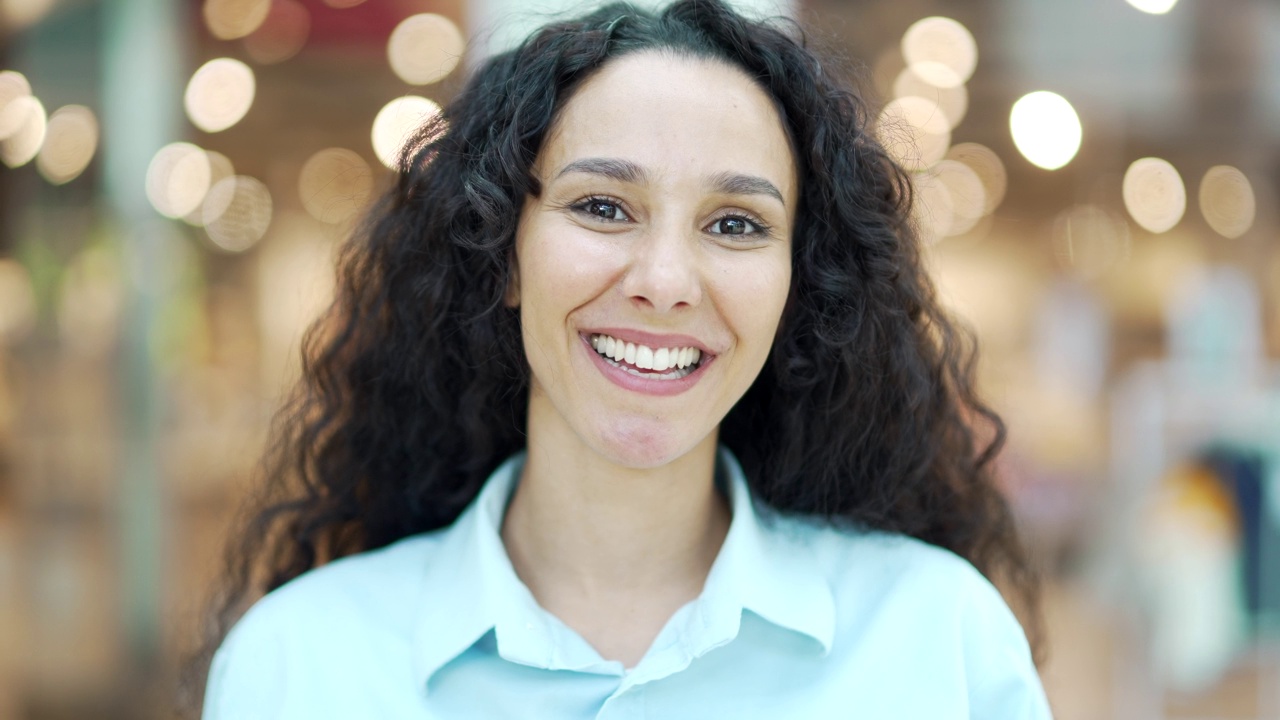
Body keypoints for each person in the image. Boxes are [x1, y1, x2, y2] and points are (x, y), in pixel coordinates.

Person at [192, 0, 1052, 717]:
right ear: (501, 252)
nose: (667, 281)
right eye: (603, 206)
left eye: (735, 224)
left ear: (800, 283)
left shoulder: (940, 645)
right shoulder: (298, 665)